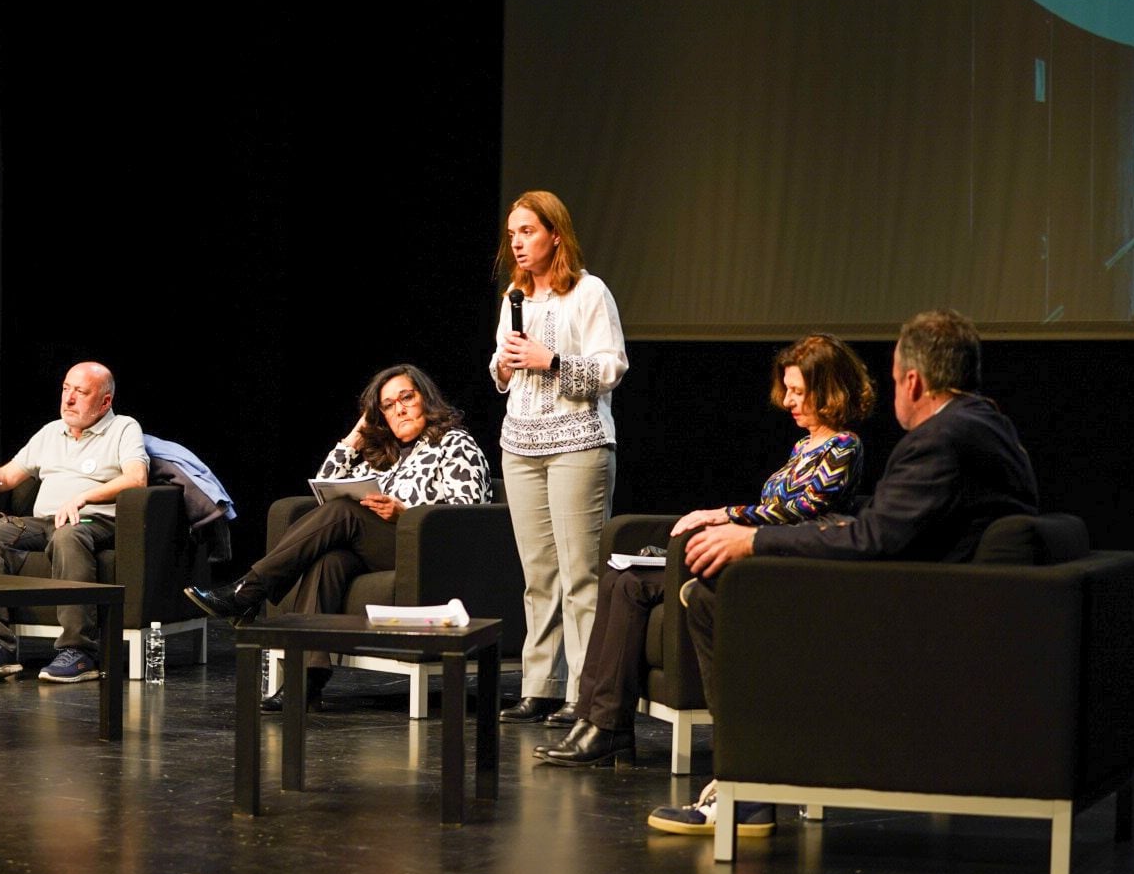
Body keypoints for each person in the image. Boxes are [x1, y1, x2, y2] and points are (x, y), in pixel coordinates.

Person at [648, 309, 1039, 837]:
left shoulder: (937, 439)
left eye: (897, 379)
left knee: (720, 597)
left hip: (915, 613)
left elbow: (870, 539)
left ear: (915, 381)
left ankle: (745, 788)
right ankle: (753, 781)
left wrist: (754, 540)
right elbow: (891, 523)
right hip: (945, 597)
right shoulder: (990, 424)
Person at [536, 334, 875, 775]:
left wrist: (722, 515)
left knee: (635, 583)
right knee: (619, 580)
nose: (788, 401)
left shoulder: (843, 445)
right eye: (787, 389)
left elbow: (800, 507)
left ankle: (607, 730)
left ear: (829, 389)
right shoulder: (802, 447)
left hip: (781, 566)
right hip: (758, 556)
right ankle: (593, 720)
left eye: (798, 391)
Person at [182, 364, 492, 710]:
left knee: (344, 512)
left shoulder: (454, 442)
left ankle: (249, 591)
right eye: (388, 406)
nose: (399, 409)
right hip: (378, 547)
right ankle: (306, 682)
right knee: (329, 560)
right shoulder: (383, 455)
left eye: (407, 397)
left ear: (426, 398)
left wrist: (405, 512)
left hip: (427, 549)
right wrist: (357, 433)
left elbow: (466, 513)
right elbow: (323, 485)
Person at [489, 190, 629, 726]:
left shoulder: (589, 292)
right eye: (512, 234)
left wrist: (551, 361)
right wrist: (504, 364)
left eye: (527, 231)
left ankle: (584, 693)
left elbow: (611, 367)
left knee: (580, 576)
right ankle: (541, 685)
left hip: (578, 444)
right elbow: (502, 369)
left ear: (555, 233)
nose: (518, 243)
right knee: (539, 575)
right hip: (520, 444)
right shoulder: (515, 297)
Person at [0, 361, 148, 684]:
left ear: (105, 401)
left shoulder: (123, 428)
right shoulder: (52, 432)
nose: (68, 399)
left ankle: (80, 652)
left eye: (80, 392)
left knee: (68, 536)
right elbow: (8, 476)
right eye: (66, 389)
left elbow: (137, 479)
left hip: (95, 520)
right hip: (44, 521)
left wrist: (85, 497)